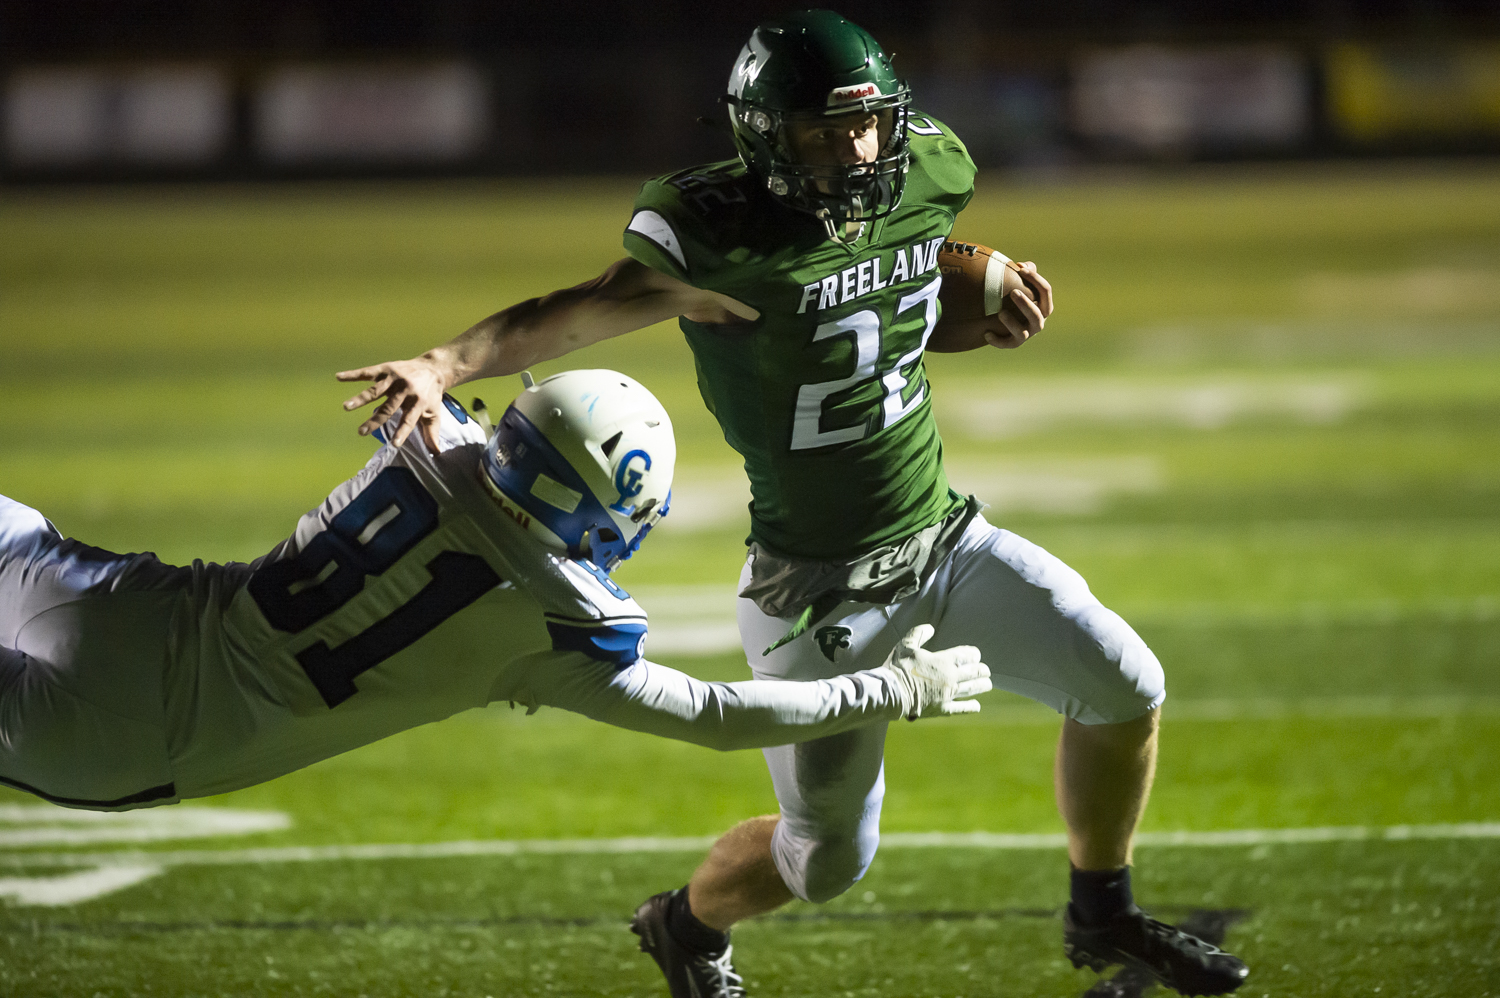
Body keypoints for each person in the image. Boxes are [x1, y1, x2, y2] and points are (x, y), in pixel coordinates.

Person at [335, 11, 1249, 997]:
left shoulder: (929, 172)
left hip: (944, 533)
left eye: (867, 124)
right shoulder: (716, 240)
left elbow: (881, 310)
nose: (855, 148)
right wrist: (444, 362)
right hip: (813, 583)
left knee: (1126, 681)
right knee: (827, 860)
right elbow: (578, 312)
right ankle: (685, 925)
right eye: (823, 130)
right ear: (767, 136)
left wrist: (974, 312)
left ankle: (1101, 909)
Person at [0, 370, 992, 814]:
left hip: (106, 597)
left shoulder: (432, 440)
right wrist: (888, 689)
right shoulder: (555, 621)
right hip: (139, 741)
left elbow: (450, 414)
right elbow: (719, 714)